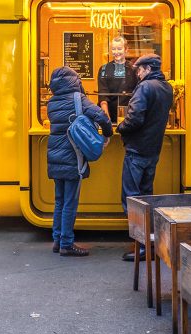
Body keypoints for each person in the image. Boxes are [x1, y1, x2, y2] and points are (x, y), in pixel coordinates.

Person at [46, 66, 113, 257]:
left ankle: (57, 240)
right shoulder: (78, 98)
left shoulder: (52, 102)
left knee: (59, 201)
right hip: (72, 156)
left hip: (55, 155)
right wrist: (107, 135)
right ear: (75, 81)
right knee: (70, 202)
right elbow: (101, 116)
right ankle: (67, 243)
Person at [116, 54, 173, 261]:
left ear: (148, 68)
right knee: (146, 197)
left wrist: (120, 127)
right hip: (152, 151)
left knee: (132, 199)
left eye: (139, 70)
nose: (137, 73)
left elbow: (134, 119)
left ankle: (141, 247)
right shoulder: (167, 88)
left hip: (137, 150)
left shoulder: (145, 88)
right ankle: (151, 244)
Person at [97, 36, 138, 123]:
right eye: (113, 49)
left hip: (131, 115)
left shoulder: (134, 69)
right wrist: (106, 118)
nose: (116, 52)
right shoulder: (104, 69)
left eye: (119, 49)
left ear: (126, 50)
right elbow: (103, 95)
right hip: (109, 114)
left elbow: (138, 94)